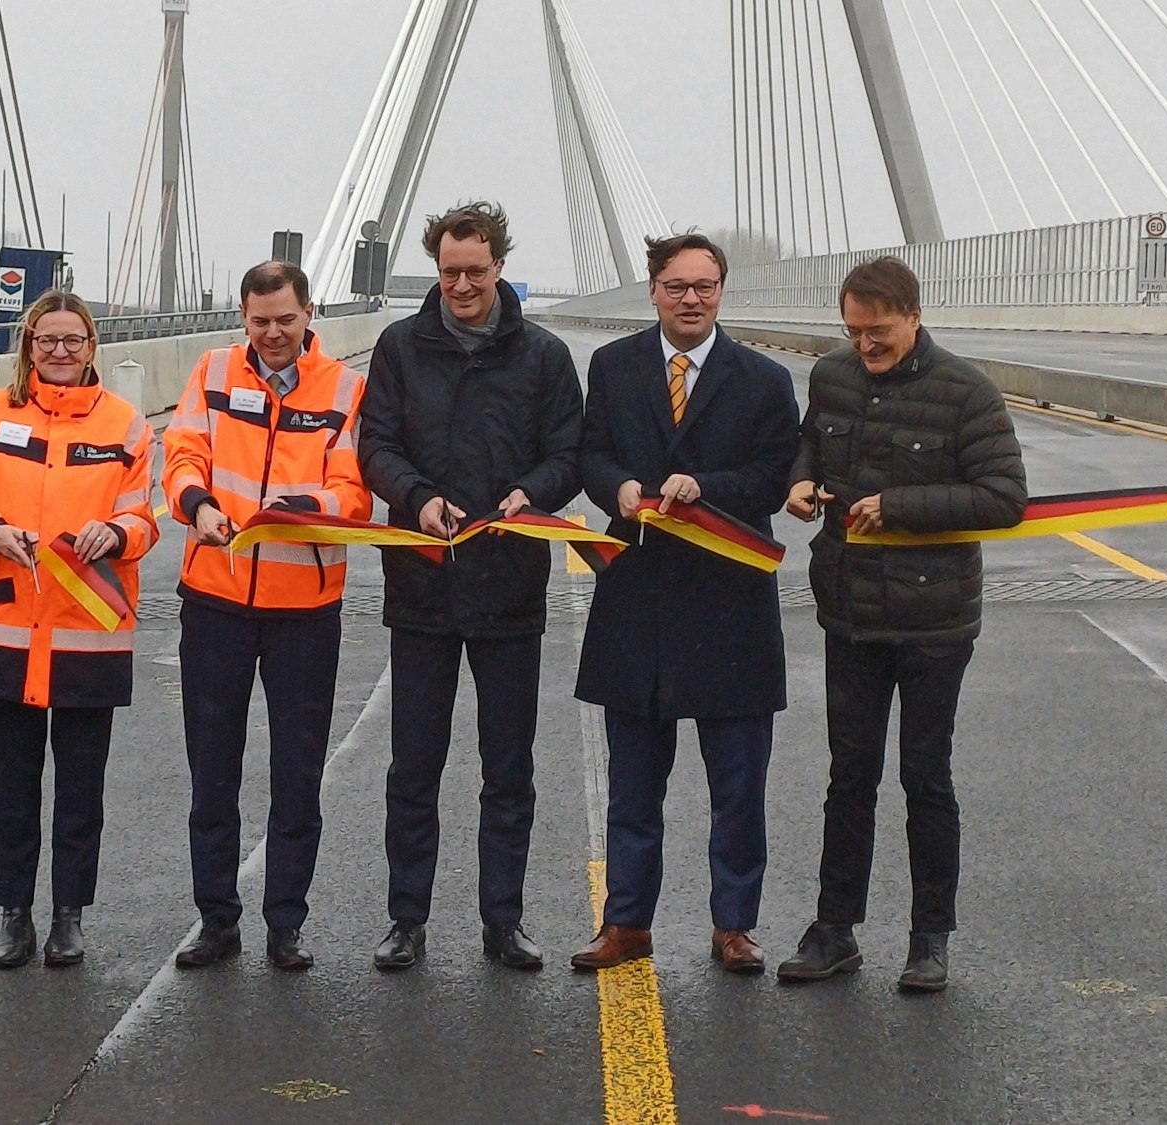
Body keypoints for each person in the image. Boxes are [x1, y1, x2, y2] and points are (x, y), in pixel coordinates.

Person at [778, 256, 1026, 993]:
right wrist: (799, 479)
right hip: (849, 610)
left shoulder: (967, 391)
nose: (864, 346)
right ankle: (834, 930)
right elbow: (811, 442)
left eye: (878, 332)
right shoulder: (833, 375)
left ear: (914, 317)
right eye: (853, 331)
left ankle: (930, 939)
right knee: (848, 776)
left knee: (926, 777)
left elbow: (1004, 497)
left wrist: (899, 507)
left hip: (934, 621)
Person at [357, 202, 584, 971]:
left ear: (500, 267)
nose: (461, 285)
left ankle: (503, 921)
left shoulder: (544, 355)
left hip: (509, 586)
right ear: (436, 267)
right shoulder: (399, 347)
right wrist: (418, 497)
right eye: (449, 271)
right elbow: (375, 445)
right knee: (413, 768)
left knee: (507, 769)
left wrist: (532, 492)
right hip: (421, 585)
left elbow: (568, 452)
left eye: (475, 272)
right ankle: (405, 920)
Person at [568, 234, 801, 975]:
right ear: (653, 290)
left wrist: (704, 489)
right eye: (676, 286)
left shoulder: (763, 379)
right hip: (638, 596)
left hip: (730, 601)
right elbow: (592, 453)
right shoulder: (614, 366)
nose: (691, 299)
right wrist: (617, 487)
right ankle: (626, 923)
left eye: (704, 286)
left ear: (722, 291)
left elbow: (773, 477)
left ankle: (735, 925)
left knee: (738, 786)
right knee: (634, 785)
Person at [162, 260, 370, 972]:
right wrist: (198, 505)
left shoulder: (343, 388)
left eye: (286, 319)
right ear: (243, 319)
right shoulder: (214, 371)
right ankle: (216, 920)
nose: (273, 333)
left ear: (309, 314)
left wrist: (304, 507)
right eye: (260, 321)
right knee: (212, 772)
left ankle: (287, 923)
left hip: (304, 610)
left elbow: (355, 491)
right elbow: (181, 454)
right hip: (215, 600)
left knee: (297, 775)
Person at [0, 291, 158, 969]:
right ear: (29, 346)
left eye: (73, 340)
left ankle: (70, 914)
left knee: (80, 787)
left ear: (92, 347)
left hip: (86, 630)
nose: (60, 351)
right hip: (6, 629)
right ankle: (14, 913)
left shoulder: (126, 425)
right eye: (47, 340)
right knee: (12, 784)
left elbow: (143, 519)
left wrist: (116, 532)